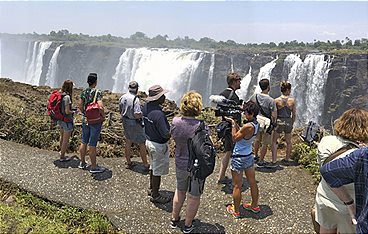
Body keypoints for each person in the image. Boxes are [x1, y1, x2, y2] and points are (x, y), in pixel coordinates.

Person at [314, 108, 368, 234]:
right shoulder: (359, 154)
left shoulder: (326, 141)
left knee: (326, 229)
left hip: (324, 197)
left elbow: (324, 169)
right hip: (350, 208)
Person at [170, 91, 211, 233]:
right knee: (193, 197)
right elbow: (207, 145)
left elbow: (174, 137)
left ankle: (174, 219)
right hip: (196, 167)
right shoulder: (202, 125)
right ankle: (187, 225)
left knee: (180, 191)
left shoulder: (175, 122)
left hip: (180, 163)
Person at [225, 100, 260, 218]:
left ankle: (236, 210)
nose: (244, 114)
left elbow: (235, 138)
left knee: (237, 186)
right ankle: (254, 206)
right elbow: (244, 133)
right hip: (249, 156)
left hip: (239, 158)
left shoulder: (247, 126)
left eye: (245, 112)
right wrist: (238, 125)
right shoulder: (256, 124)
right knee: (252, 182)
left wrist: (233, 125)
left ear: (250, 114)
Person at [321, 147, 368, 234]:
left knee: (327, 227)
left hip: (326, 195)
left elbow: (327, 171)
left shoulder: (363, 155)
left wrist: (349, 203)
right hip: (340, 206)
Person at [143, 85, 171, 203]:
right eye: (162, 95)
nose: (164, 97)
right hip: (158, 145)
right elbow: (165, 134)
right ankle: (156, 195)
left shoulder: (146, 107)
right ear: (157, 98)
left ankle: (151, 188)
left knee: (153, 167)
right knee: (157, 171)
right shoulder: (159, 114)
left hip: (148, 141)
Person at [217, 72, 243, 184]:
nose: (240, 82)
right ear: (233, 82)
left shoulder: (222, 94)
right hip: (231, 128)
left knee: (228, 151)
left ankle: (221, 176)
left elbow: (219, 111)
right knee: (234, 152)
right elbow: (235, 115)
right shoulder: (233, 97)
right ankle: (234, 177)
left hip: (224, 127)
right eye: (238, 81)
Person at [78, 73, 105, 173]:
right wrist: (103, 116)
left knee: (84, 141)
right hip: (95, 121)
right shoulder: (98, 92)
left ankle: (82, 163)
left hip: (85, 120)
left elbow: (80, 106)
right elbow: (100, 106)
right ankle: (94, 167)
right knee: (93, 143)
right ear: (96, 82)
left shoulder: (83, 92)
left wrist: (85, 113)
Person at [119, 81, 149, 171]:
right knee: (142, 143)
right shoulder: (135, 100)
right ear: (136, 89)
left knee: (128, 141)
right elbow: (137, 114)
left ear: (129, 88)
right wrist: (143, 115)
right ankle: (145, 164)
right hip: (134, 122)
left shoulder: (122, 97)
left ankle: (128, 162)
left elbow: (120, 109)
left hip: (125, 121)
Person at [250, 78, 277, 167]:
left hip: (257, 121)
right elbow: (274, 115)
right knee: (265, 143)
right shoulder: (271, 100)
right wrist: (273, 123)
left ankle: (255, 155)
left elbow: (249, 106)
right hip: (267, 124)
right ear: (268, 87)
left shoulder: (255, 96)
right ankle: (261, 160)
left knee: (257, 139)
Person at [271, 81, 296, 163]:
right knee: (288, 142)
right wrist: (292, 123)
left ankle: (274, 160)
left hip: (279, 121)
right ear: (288, 90)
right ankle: (287, 159)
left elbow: (274, 114)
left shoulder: (276, 100)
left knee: (274, 141)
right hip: (288, 121)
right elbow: (294, 114)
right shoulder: (292, 101)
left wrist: (273, 122)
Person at [58, 80, 75, 161]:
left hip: (60, 119)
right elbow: (67, 111)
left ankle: (61, 151)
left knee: (61, 137)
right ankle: (62, 156)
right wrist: (74, 111)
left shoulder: (60, 94)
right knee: (65, 140)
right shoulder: (67, 97)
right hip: (66, 120)